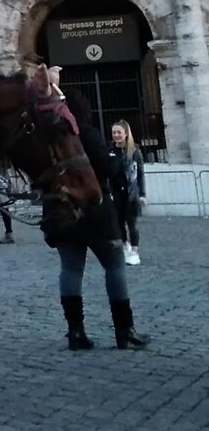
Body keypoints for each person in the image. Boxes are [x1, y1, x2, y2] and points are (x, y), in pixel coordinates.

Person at [41, 92, 149, 350]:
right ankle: (125, 330)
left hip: (63, 211)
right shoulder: (87, 134)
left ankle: (75, 332)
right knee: (114, 268)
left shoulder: (50, 139)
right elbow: (109, 168)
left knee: (70, 270)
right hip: (96, 211)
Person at [110, 120, 147, 266]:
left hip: (131, 193)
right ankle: (125, 246)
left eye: (119, 132)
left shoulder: (134, 151)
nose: (116, 135)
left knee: (132, 224)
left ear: (126, 133)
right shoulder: (110, 150)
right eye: (114, 133)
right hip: (116, 192)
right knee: (119, 223)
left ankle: (135, 251)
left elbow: (141, 174)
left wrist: (143, 194)